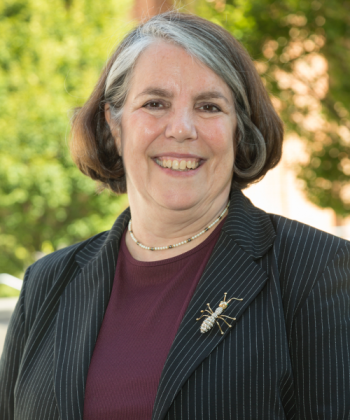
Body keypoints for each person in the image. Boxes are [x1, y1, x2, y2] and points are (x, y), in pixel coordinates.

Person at [1, 10, 349, 420]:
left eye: (208, 106)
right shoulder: (48, 283)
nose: (182, 128)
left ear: (239, 128)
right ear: (115, 125)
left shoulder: (319, 272)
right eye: (155, 103)